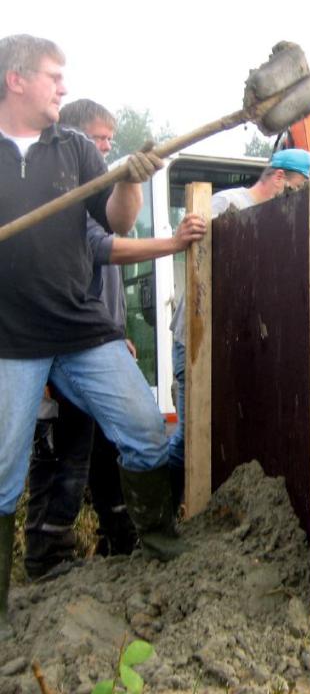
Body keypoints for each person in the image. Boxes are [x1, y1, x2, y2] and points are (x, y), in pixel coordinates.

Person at [0, 34, 187, 641]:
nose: (63, 86)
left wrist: (129, 181)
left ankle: (162, 552)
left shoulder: (75, 148)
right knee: (2, 474)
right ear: (15, 79)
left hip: (80, 326)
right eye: (53, 76)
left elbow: (115, 222)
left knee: (144, 429)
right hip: (10, 338)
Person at [24, 99, 208, 578]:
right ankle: (47, 555)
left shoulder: (98, 197)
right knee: (62, 452)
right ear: (73, 142)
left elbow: (111, 246)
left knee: (112, 450)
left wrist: (116, 333)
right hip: (52, 343)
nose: (106, 148)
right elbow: (103, 248)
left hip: (94, 340)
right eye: (99, 138)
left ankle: (121, 541)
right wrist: (172, 243)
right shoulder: (63, 196)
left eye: (109, 140)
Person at [167, 148, 310, 507]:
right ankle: (160, 511)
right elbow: (191, 251)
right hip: (198, 342)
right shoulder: (227, 204)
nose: (302, 195)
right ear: (279, 178)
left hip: (238, 346)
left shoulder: (282, 218)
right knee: (191, 439)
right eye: (302, 185)